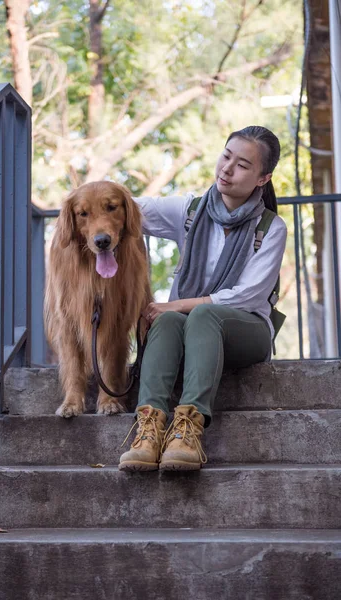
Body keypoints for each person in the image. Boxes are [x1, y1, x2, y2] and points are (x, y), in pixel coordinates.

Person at [118, 125, 287, 473]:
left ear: (262, 178)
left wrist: (179, 303)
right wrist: (89, 204)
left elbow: (246, 296)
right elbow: (126, 207)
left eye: (242, 165)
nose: (227, 169)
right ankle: (148, 427)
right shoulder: (190, 211)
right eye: (226, 156)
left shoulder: (271, 228)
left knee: (198, 315)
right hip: (190, 327)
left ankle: (188, 429)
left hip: (247, 331)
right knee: (165, 321)